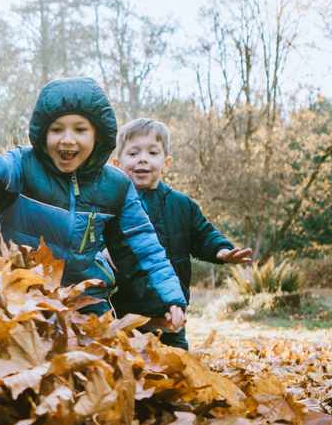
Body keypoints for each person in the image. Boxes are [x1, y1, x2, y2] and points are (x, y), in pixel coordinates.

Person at [0, 76, 185, 328]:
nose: (67, 139)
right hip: (25, 294)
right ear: (43, 135)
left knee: (98, 364)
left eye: (80, 130)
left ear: (97, 136)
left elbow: (142, 247)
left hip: (87, 300)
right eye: (57, 130)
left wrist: (167, 298)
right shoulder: (23, 167)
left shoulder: (117, 186)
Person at [109, 118, 255, 348]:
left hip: (170, 312)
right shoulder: (111, 205)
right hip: (125, 311)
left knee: (176, 366)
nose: (143, 159)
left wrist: (222, 250)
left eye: (152, 152)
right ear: (117, 163)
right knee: (127, 368)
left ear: (166, 162)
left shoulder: (181, 205)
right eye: (134, 153)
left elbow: (203, 234)